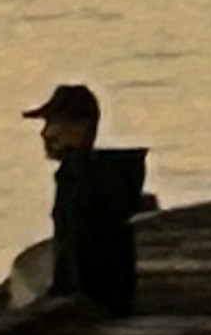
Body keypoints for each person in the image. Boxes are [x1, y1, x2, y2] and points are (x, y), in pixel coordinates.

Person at [22, 85, 134, 315]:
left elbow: (80, 247)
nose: (45, 134)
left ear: (82, 127)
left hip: (96, 302)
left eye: (53, 123)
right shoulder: (91, 173)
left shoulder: (82, 179)